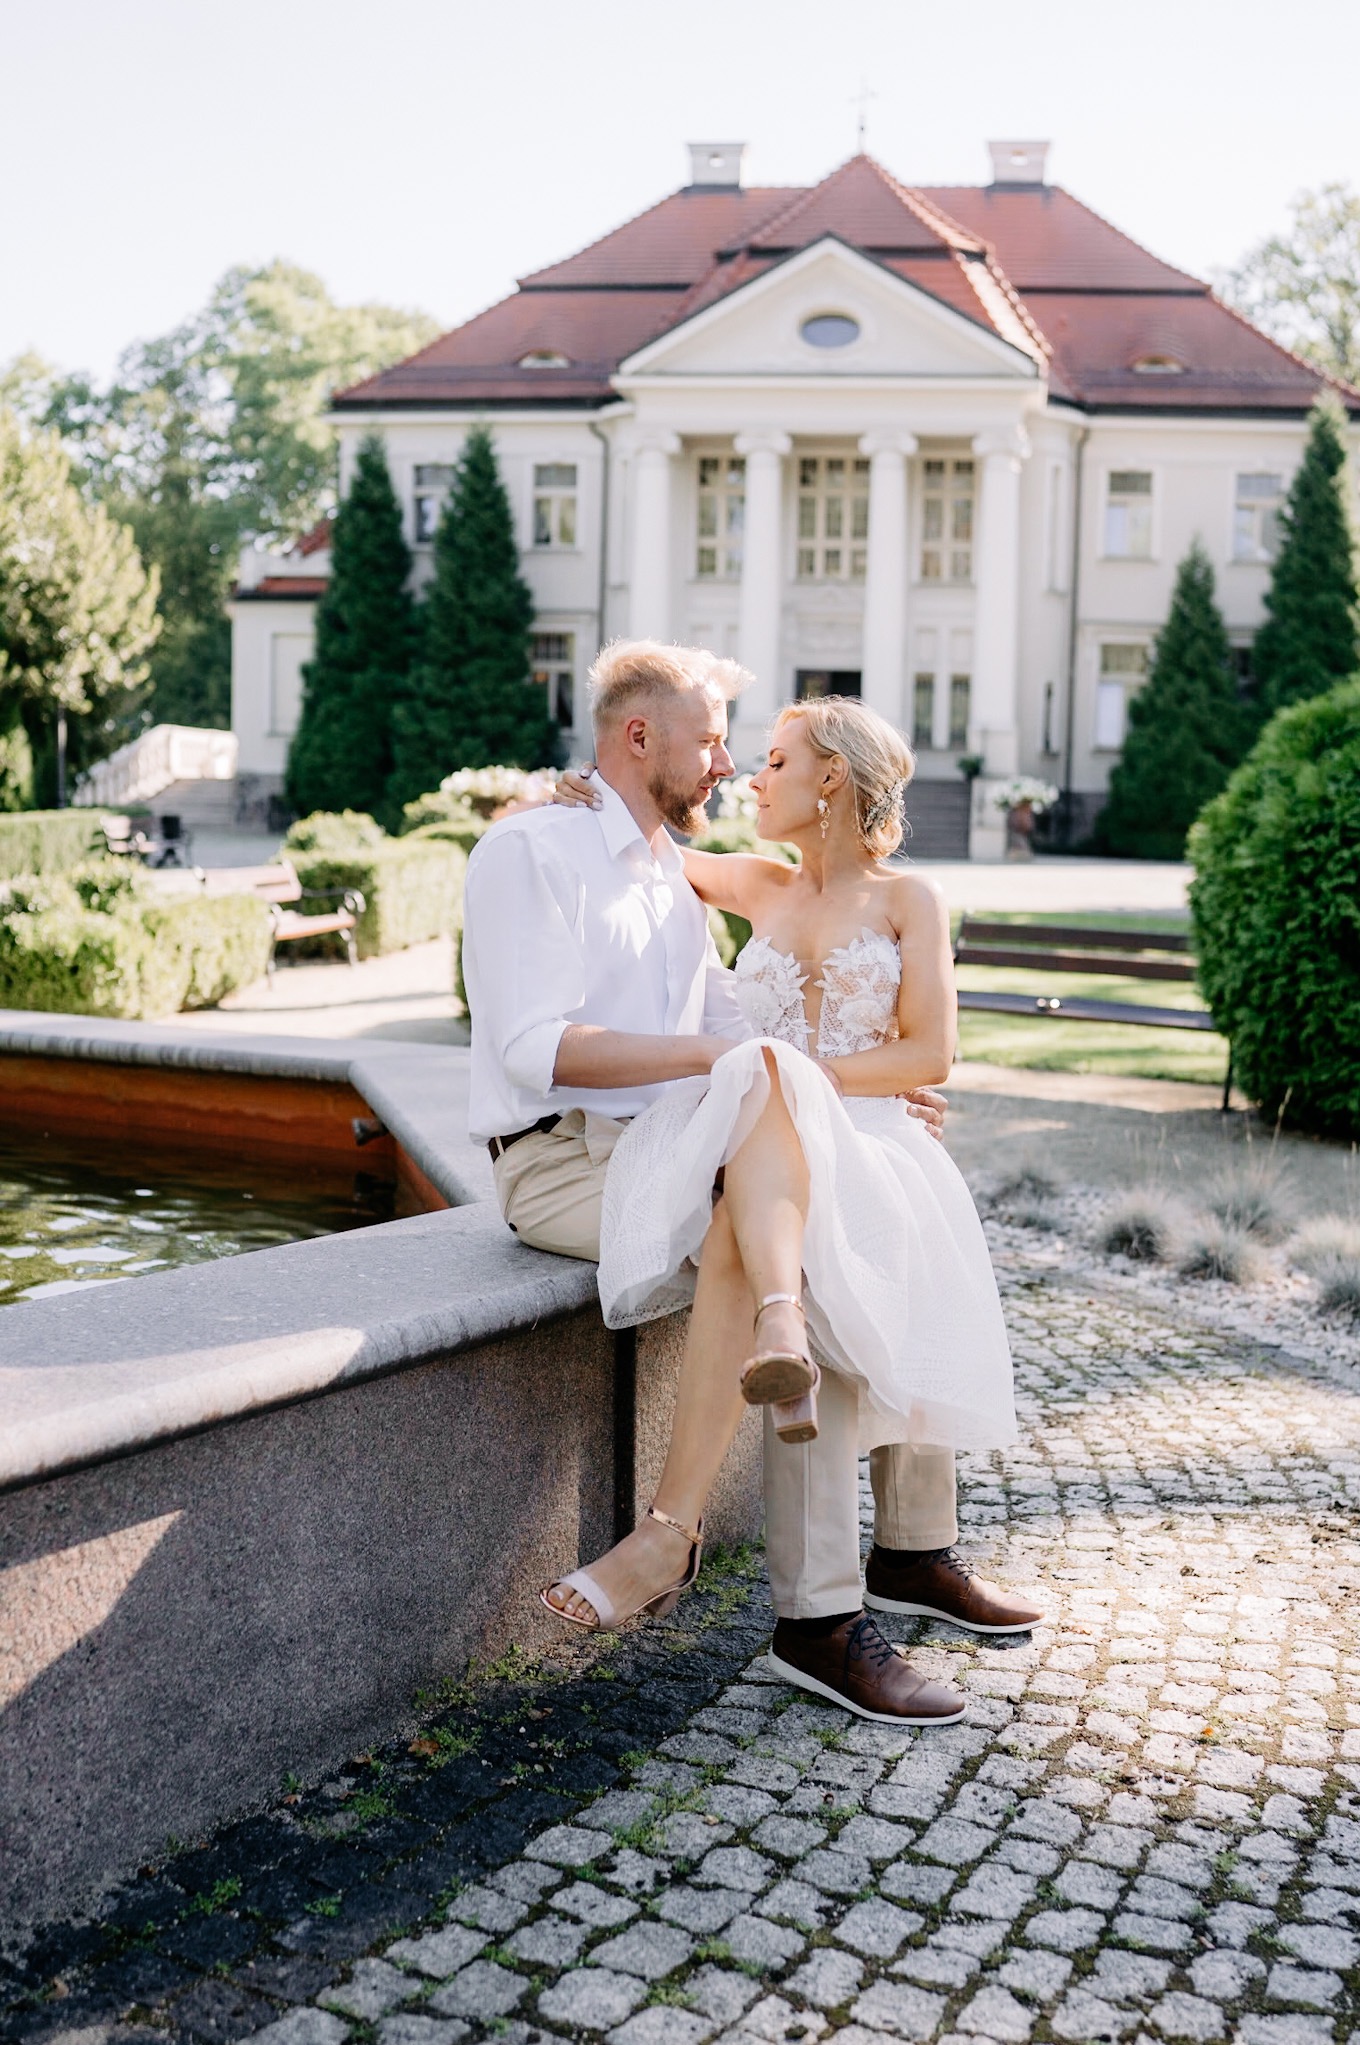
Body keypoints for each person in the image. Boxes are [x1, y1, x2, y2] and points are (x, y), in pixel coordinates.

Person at [462, 641, 1041, 1726]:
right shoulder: (599, 859)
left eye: (759, 752)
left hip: (724, 1133)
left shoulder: (704, 879)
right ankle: (816, 1616)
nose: (733, 768)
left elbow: (827, 1039)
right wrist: (767, 1076)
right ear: (642, 739)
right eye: (722, 743)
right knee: (817, 1233)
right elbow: (562, 1027)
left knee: (862, 1207)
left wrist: (820, 1088)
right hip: (621, 1145)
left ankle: (891, 1553)